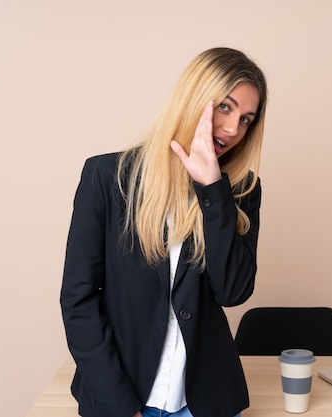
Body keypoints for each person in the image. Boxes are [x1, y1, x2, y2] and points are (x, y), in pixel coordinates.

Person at [60, 47, 268, 417]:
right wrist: (121, 409)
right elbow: (78, 301)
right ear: (194, 98)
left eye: (247, 119)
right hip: (122, 400)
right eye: (226, 107)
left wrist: (212, 190)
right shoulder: (108, 178)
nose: (234, 129)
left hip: (204, 402)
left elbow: (234, 291)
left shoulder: (239, 191)